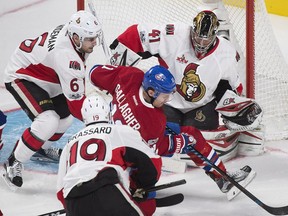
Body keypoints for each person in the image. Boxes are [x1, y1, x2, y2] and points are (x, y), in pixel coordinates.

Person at [108, 10, 263, 161]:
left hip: (201, 106)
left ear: (215, 36)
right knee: (157, 134)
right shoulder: (174, 34)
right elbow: (139, 33)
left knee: (199, 139)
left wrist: (233, 108)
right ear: (192, 30)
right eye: (198, 37)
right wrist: (123, 46)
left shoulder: (226, 52)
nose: (201, 43)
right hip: (167, 102)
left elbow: (230, 87)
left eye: (206, 40)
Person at [88, 64, 253, 195]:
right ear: (151, 92)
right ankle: (128, 189)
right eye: (165, 96)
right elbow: (154, 149)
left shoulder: (130, 76)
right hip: (124, 152)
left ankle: (222, 177)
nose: (167, 100)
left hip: (108, 134)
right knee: (149, 174)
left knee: (191, 133)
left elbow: (94, 72)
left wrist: (116, 90)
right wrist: (179, 142)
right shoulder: (154, 121)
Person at [2, 10, 103, 188]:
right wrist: (101, 122)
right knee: (48, 120)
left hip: (46, 75)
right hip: (22, 76)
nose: (95, 42)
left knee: (64, 119)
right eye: (90, 38)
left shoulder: (73, 37)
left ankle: (40, 147)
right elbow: (76, 104)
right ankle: (13, 161)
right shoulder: (67, 56)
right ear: (76, 37)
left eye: (95, 37)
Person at [56, 95, 162, 216]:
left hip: (73, 199)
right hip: (106, 189)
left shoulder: (69, 143)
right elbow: (152, 162)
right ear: (108, 113)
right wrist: (142, 186)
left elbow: (60, 191)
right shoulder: (119, 131)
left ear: (84, 118)